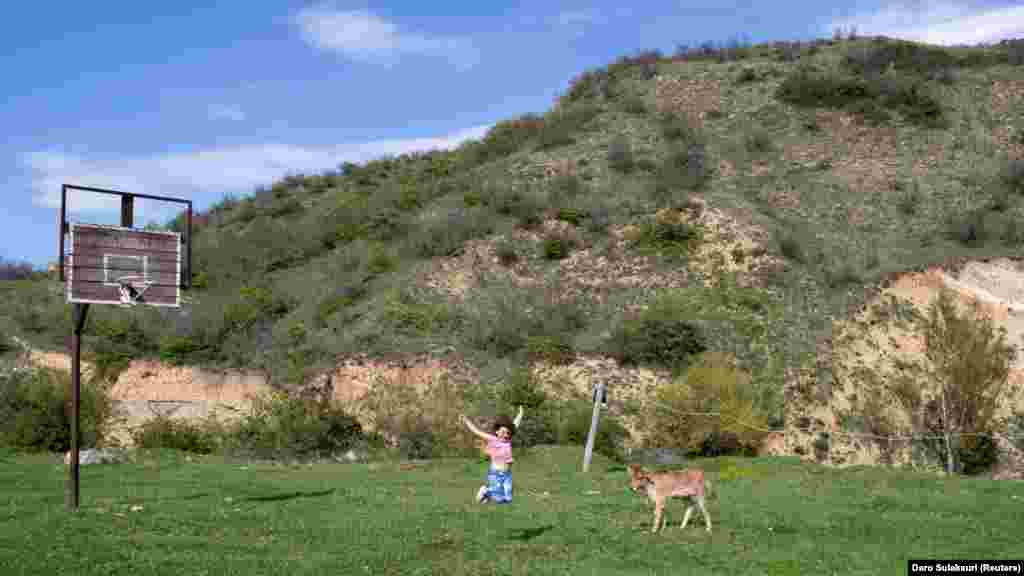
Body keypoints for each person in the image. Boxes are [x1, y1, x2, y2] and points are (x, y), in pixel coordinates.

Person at [462, 406, 524, 504]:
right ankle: (485, 491)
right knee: (497, 495)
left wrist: (520, 413)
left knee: (508, 498)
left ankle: (487, 497)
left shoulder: (508, 441)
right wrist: (467, 421)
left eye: (508, 433)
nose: (506, 435)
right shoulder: (493, 439)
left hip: (507, 473)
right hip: (495, 472)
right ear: (497, 432)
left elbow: (515, 424)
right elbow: (477, 432)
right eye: (503, 432)